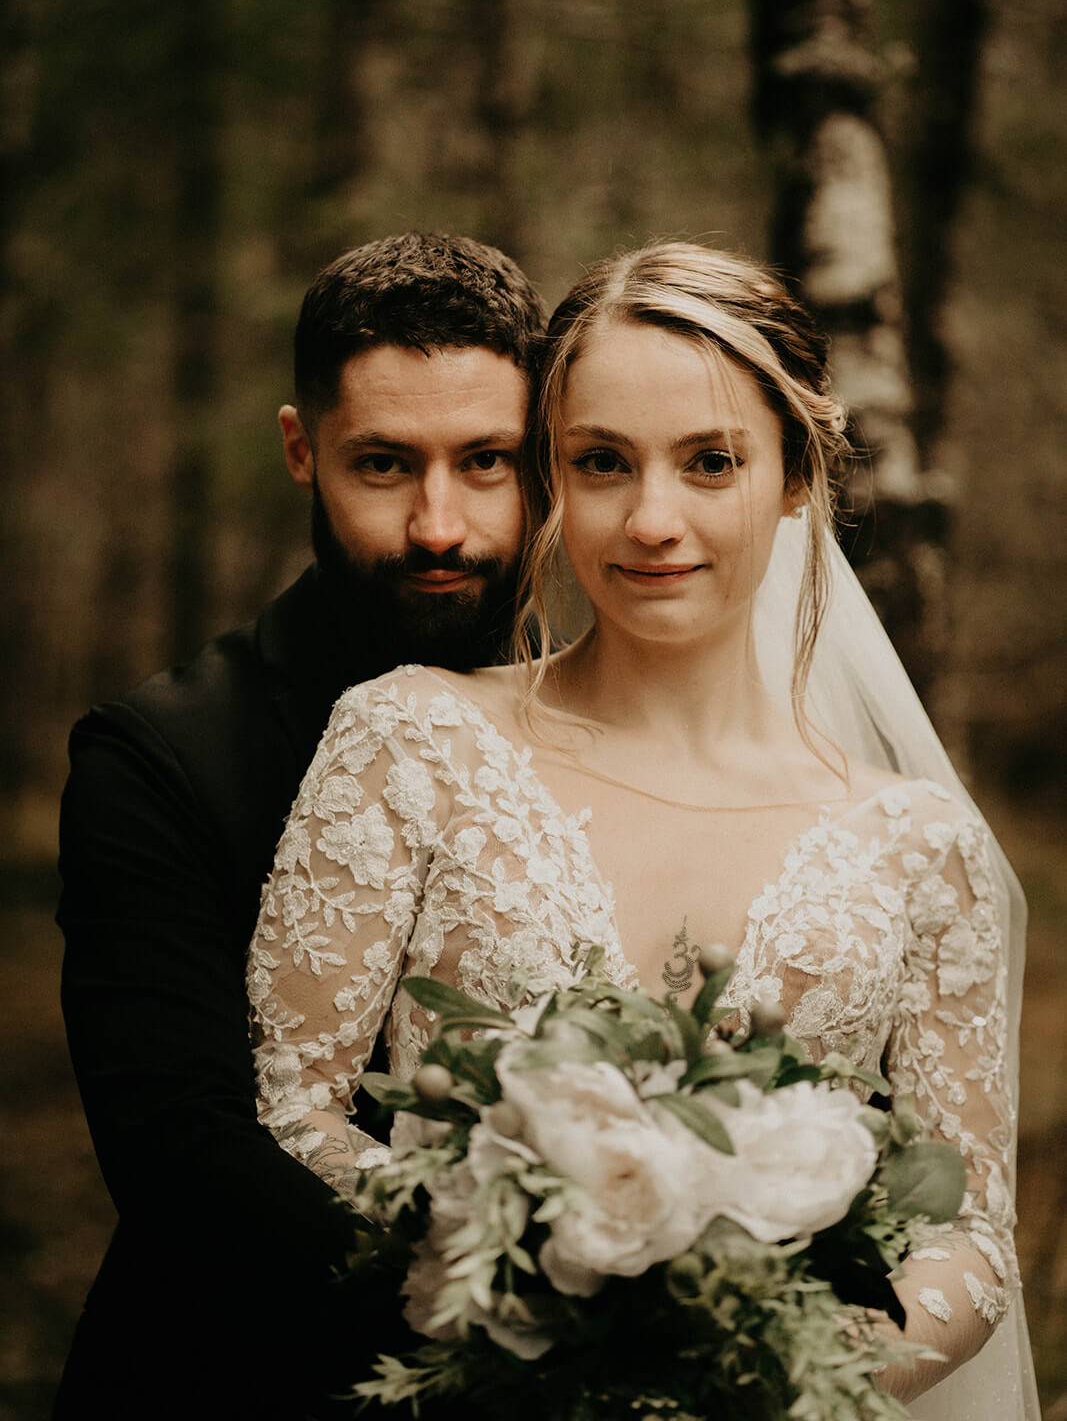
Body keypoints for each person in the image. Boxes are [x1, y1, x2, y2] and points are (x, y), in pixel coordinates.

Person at [248, 240, 1039, 1419]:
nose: (651, 518)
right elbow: (295, 1109)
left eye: (710, 461)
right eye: (601, 462)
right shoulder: (410, 740)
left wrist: (759, 1363)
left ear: (792, 476)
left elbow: (967, 1232)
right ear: (550, 475)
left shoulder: (921, 851)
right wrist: (520, 1283)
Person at [55, 231, 545, 1420]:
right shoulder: (157, 754)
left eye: (486, 460)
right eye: (383, 465)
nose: (440, 525)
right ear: (299, 448)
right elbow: (185, 1156)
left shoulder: (613, 723)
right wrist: (534, 1325)